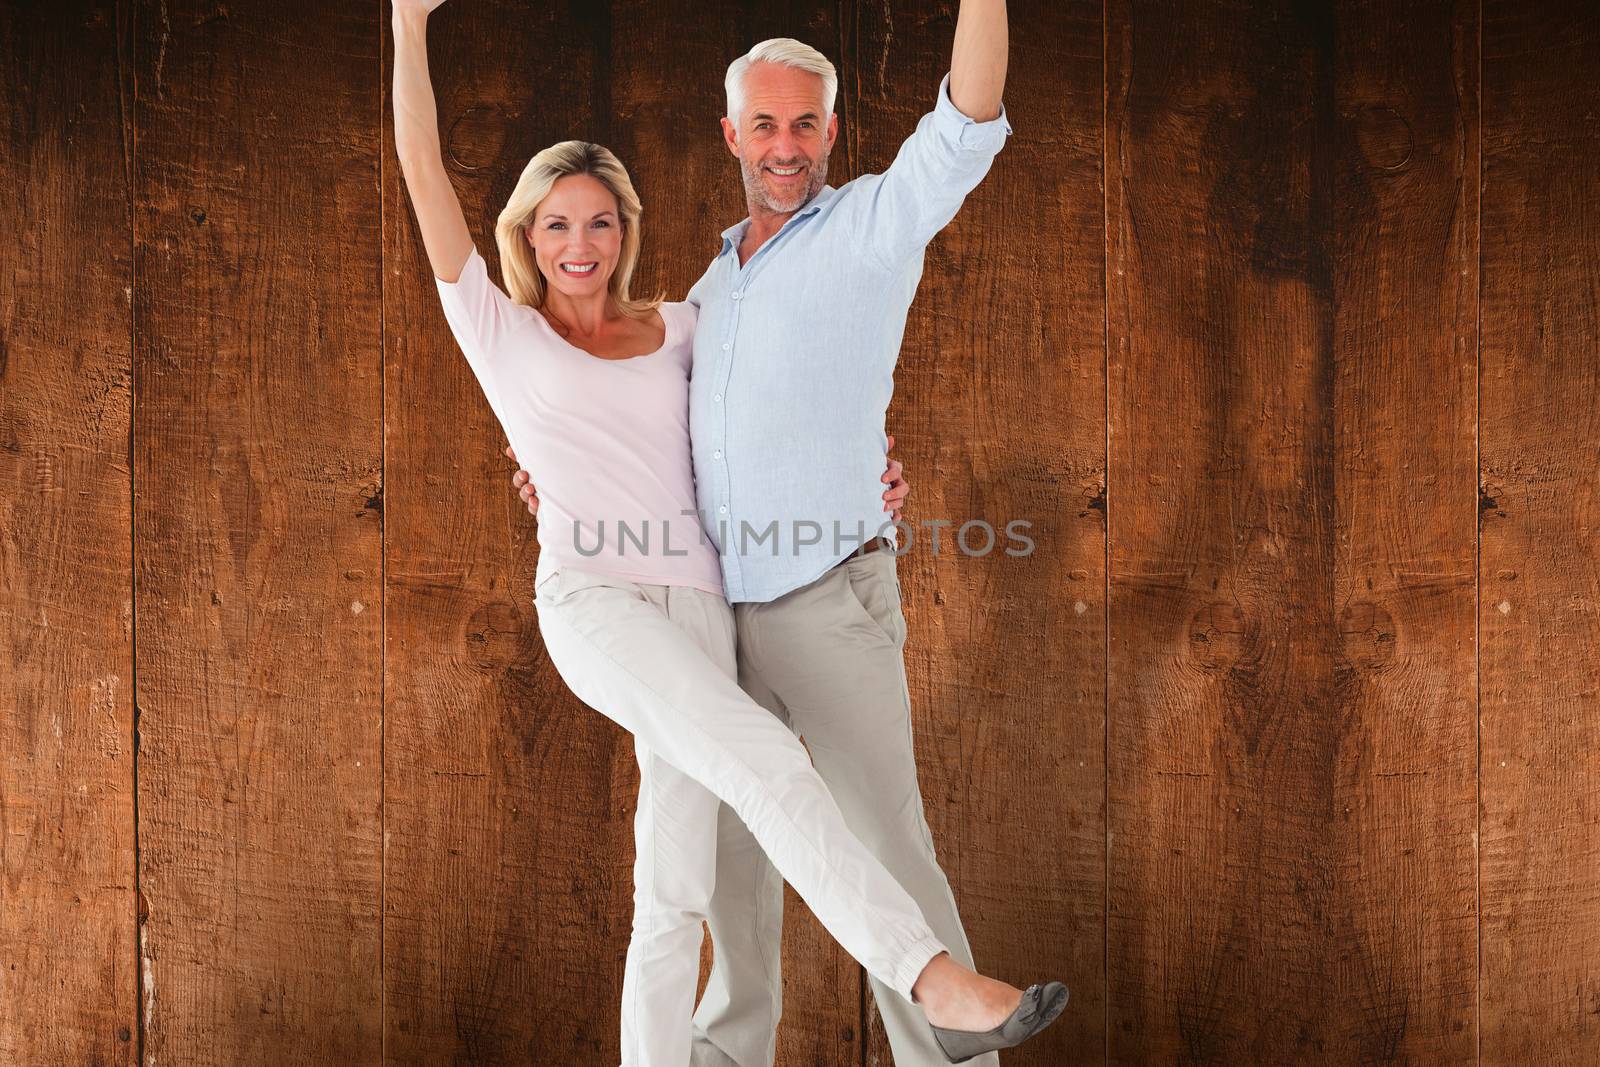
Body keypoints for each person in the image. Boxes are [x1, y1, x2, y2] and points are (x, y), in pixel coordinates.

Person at [391, 1, 1067, 1064]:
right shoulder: (657, 300)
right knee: (742, 817)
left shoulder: (789, 264)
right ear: (732, 135)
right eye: (765, 125)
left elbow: (962, 128)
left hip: (775, 592)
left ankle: (871, 1046)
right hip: (655, 601)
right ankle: (829, 1017)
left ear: (832, 133)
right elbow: (431, 186)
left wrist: (865, 474)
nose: (785, 145)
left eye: (805, 125)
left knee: (780, 852)